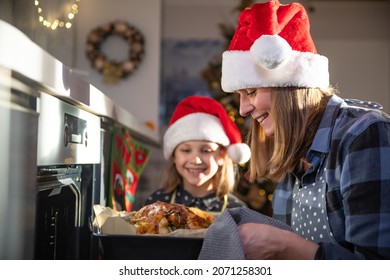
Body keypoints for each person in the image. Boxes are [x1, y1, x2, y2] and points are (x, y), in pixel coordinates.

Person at [220, 0, 390, 259]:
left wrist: (288, 247)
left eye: (251, 92)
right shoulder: (291, 149)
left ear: (290, 89)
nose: (243, 109)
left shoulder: (364, 135)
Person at [145, 95, 251, 216]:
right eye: (186, 150)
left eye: (206, 151)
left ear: (222, 156)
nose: (195, 160)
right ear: (174, 156)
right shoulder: (156, 204)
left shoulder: (236, 210)